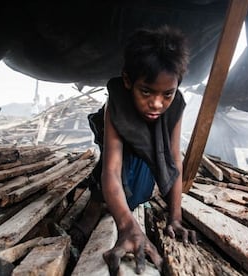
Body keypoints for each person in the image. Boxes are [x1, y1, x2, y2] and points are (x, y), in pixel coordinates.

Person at [79, 25, 197, 274]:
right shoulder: (118, 102)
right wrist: (126, 226)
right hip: (119, 156)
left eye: (167, 94)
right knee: (107, 193)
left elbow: (174, 159)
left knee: (137, 195)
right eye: (146, 91)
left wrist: (175, 217)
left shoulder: (176, 105)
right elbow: (111, 169)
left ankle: (119, 205)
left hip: (145, 160)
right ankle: (97, 205)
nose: (156, 103)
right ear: (127, 81)